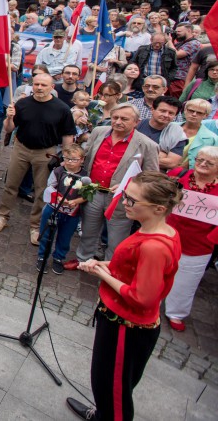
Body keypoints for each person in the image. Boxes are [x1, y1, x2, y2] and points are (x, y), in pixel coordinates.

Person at [67, 172, 182, 421]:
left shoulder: (154, 247)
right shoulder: (162, 232)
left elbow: (142, 297)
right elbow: (132, 266)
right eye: (125, 196)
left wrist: (101, 273)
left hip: (126, 328)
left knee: (113, 392)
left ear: (159, 208)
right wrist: (106, 265)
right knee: (107, 385)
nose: (124, 202)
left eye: (132, 200)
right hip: (121, 322)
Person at [0, 73, 77, 244]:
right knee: (11, 185)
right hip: (21, 149)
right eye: (36, 84)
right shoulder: (23, 103)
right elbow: (9, 129)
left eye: (43, 85)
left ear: (52, 87)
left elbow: (68, 135)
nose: (39, 88)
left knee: (41, 190)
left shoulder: (62, 109)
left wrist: (67, 158)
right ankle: (2, 216)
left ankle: (35, 225)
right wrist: (9, 118)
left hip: (45, 152)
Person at [73, 105, 160, 268]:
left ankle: (109, 269)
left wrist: (129, 185)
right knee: (88, 232)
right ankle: (82, 261)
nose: (118, 122)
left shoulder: (147, 145)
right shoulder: (99, 132)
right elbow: (87, 157)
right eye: (115, 117)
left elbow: (152, 177)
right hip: (93, 193)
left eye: (124, 119)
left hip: (121, 200)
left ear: (136, 122)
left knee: (116, 239)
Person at [163, 147, 218, 331]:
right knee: (156, 270)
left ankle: (176, 312)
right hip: (167, 234)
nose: (202, 164)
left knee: (186, 281)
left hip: (198, 244)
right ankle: (147, 299)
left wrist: (211, 239)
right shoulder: (179, 174)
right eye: (199, 159)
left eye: (209, 163)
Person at [37, 145, 89, 275]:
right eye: (67, 158)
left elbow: (88, 194)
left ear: (82, 159)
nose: (70, 162)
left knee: (65, 236)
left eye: (74, 159)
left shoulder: (85, 176)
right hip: (53, 209)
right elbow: (50, 187)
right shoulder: (58, 171)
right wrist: (59, 198)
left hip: (72, 213)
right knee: (46, 234)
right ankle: (42, 256)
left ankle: (58, 257)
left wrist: (76, 201)